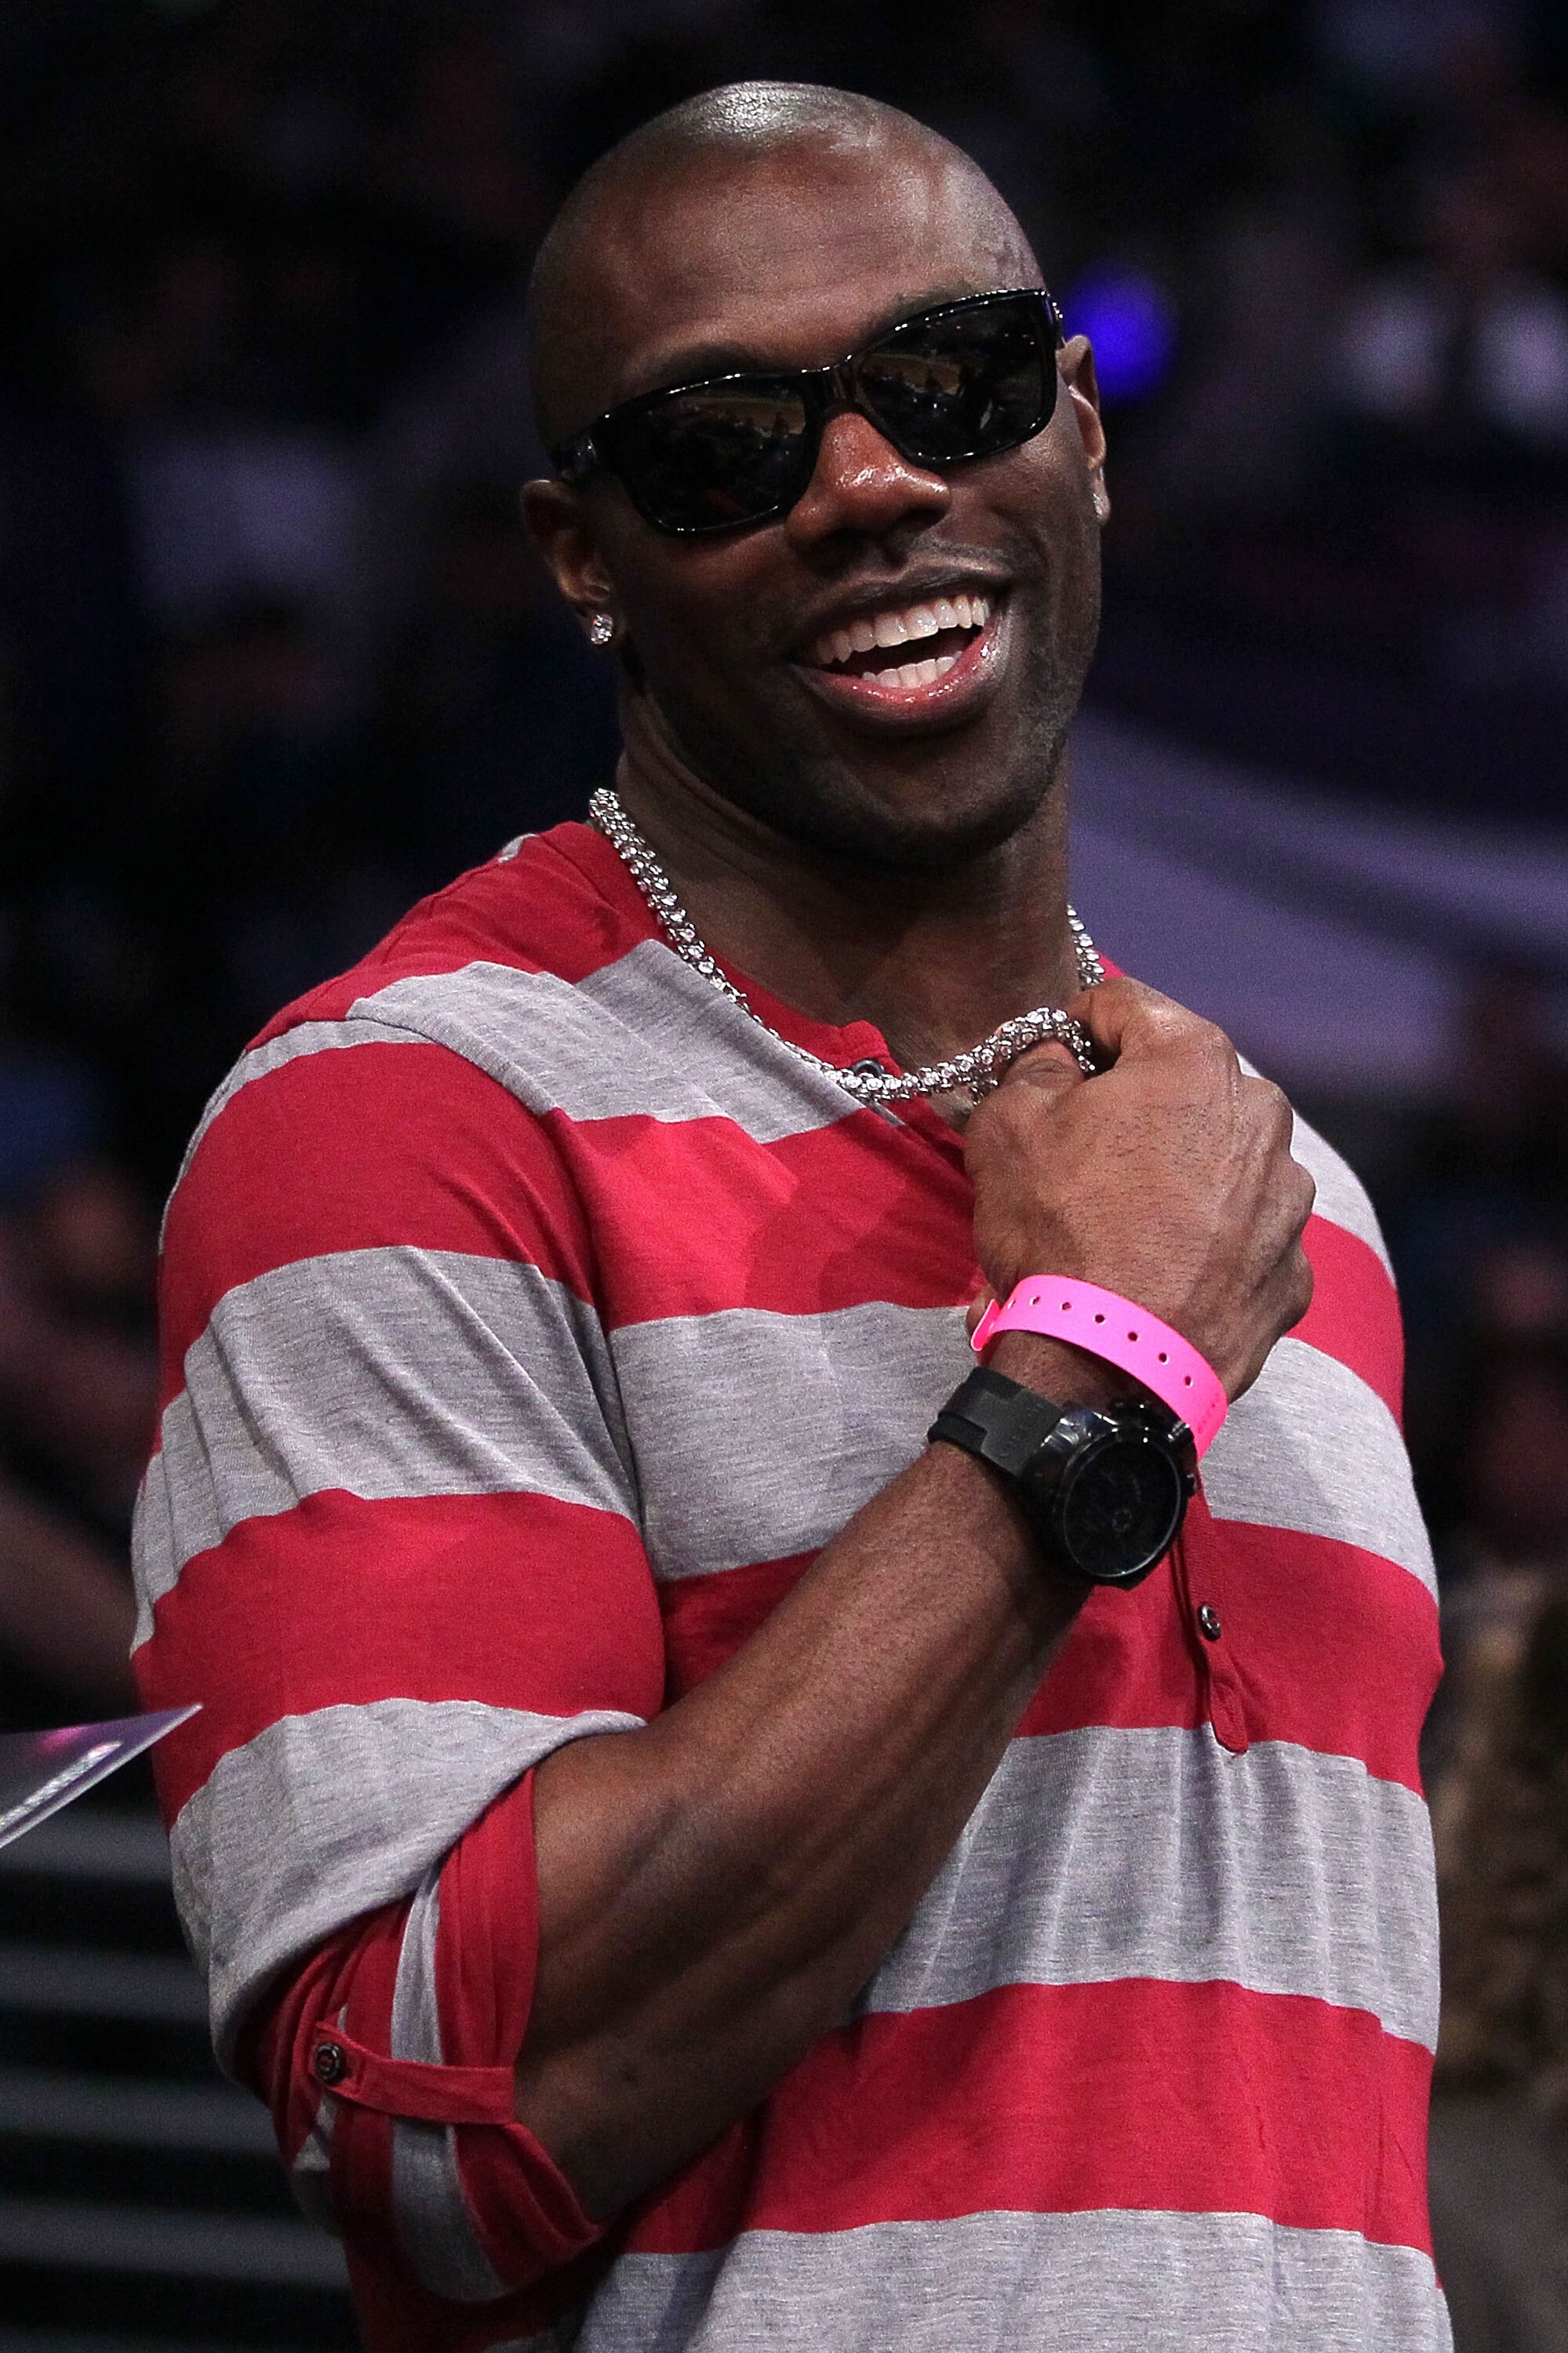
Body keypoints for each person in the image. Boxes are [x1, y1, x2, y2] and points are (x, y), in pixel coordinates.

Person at [132, 83, 1449, 2353]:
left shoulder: (1274, 1192)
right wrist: (1083, 1384)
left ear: (1082, 428)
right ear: (581, 556)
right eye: (725, 447)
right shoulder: (409, 1123)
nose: (869, 484)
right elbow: (437, 2124)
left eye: (948, 385)